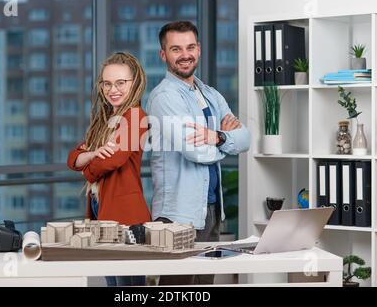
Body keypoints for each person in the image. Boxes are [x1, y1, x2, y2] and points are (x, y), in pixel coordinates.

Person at [146, 21, 251, 285]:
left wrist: (217, 137)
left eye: (190, 47)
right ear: (163, 55)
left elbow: (245, 139)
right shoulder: (164, 97)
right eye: (176, 49)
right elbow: (194, 151)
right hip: (178, 213)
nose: (185, 55)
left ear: (199, 49)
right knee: (177, 287)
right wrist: (226, 141)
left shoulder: (210, 94)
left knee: (204, 284)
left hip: (211, 208)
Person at [67, 52, 151, 287]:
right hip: (100, 207)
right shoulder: (104, 121)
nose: (113, 89)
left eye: (120, 83)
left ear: (134, 83)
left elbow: (112, 160)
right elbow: (72, 157)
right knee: (113, 283)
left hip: (125, 214)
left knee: (129, 286)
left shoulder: (136, 117)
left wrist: (87, 166)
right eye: (107, 83)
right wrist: (94, 153)